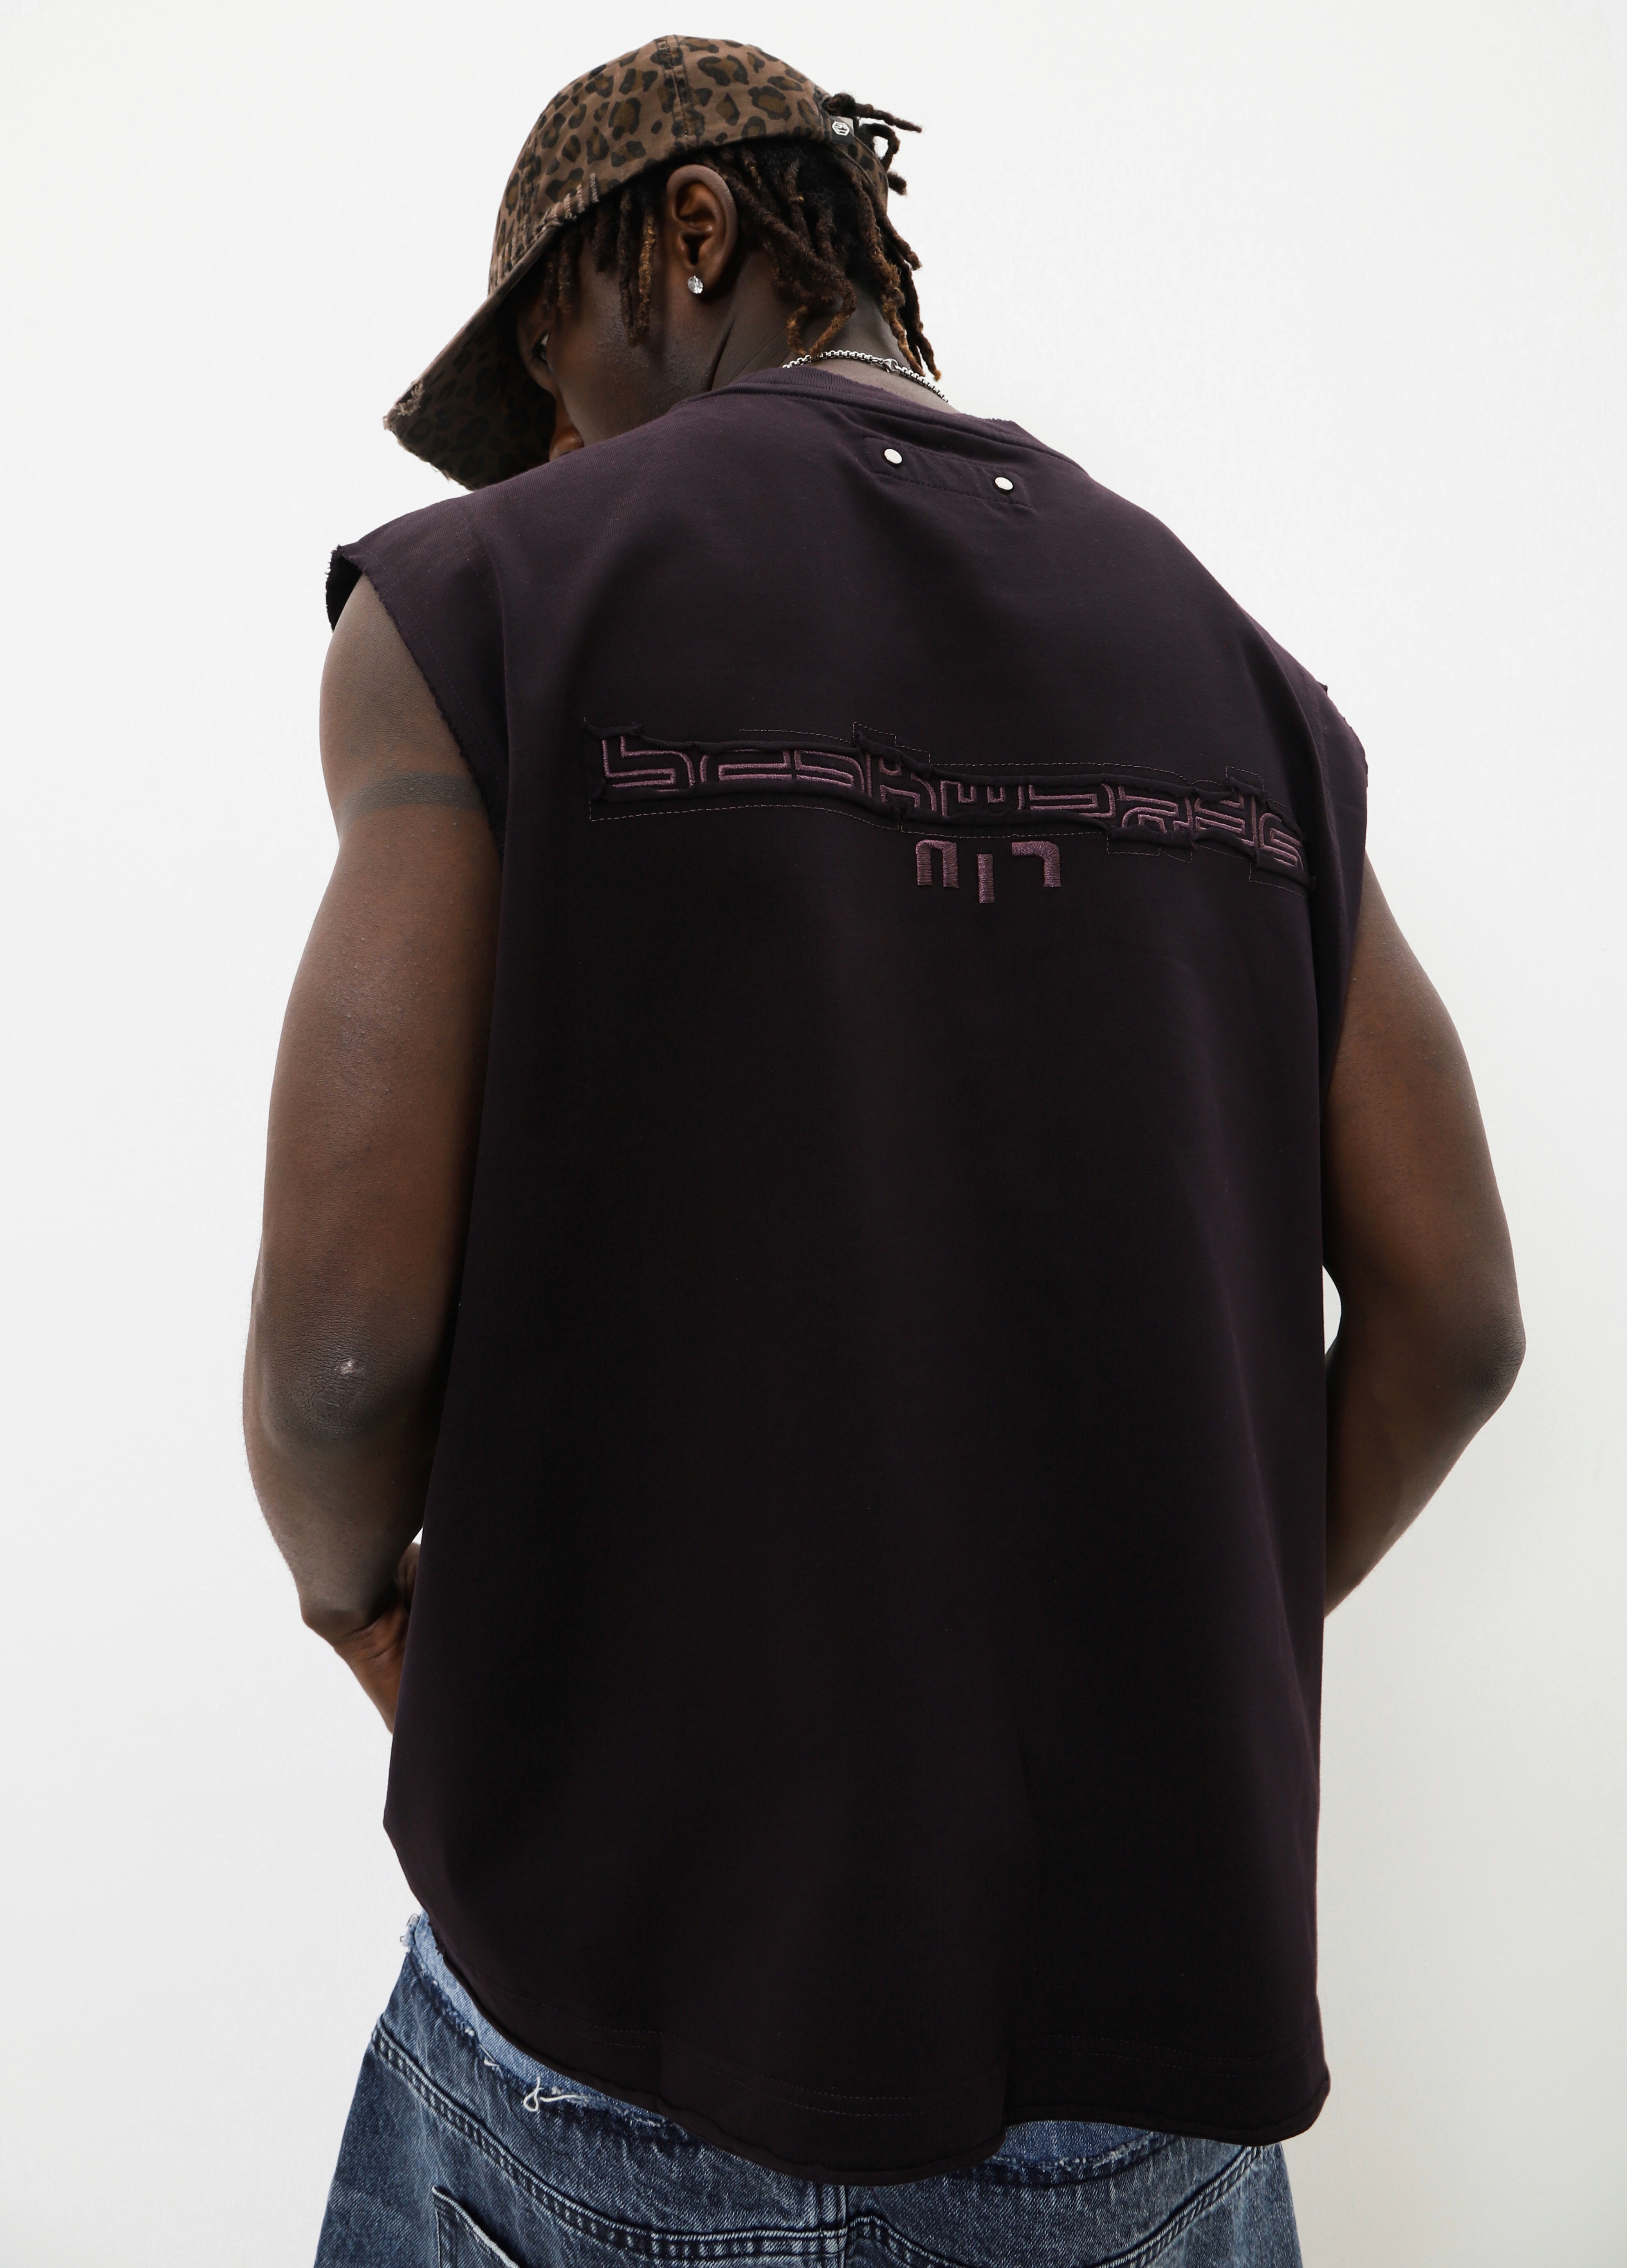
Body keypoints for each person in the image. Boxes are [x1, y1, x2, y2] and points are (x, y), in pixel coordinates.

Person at [243, 36, 1524, 2267]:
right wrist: (1144, 1649)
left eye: (552, 374)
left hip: (620, 2061)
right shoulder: (1235, 673)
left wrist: (358, 1601)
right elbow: (1460, 1317)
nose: (557, 455)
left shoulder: (481, 607)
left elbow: (344, 1352)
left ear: (694, 238)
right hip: (1144, 2107)